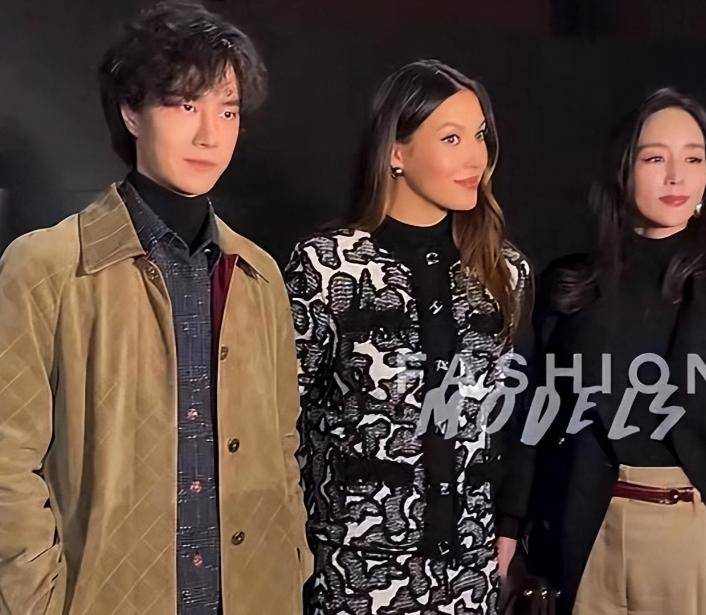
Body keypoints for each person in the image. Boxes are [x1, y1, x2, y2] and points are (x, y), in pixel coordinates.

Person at [0, 2, 312, 613]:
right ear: (131, 112)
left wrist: (292, 559)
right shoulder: (46, 269)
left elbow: (282, 442)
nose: (210, 134)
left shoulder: (258, 275)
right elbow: (7, 461)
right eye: (185, 105)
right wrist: (38, 600)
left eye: (227, 110)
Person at [285, 59, 533, 614]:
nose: (476, 158)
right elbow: (281, 421)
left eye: (480, 136)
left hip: (468, 570)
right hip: (355, 569)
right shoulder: (328, 265)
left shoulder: (502, 271)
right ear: (396, 152)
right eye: (452, 138)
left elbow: (518, 411)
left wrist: (510, 521)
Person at [529, 88, 706, 614]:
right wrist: (513, 525)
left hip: (690, 531)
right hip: (589, 529)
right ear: (622, 168)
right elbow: (532, 413)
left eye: (694, 159)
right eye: (655, 159)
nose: (675, 176)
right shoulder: (572, 284)